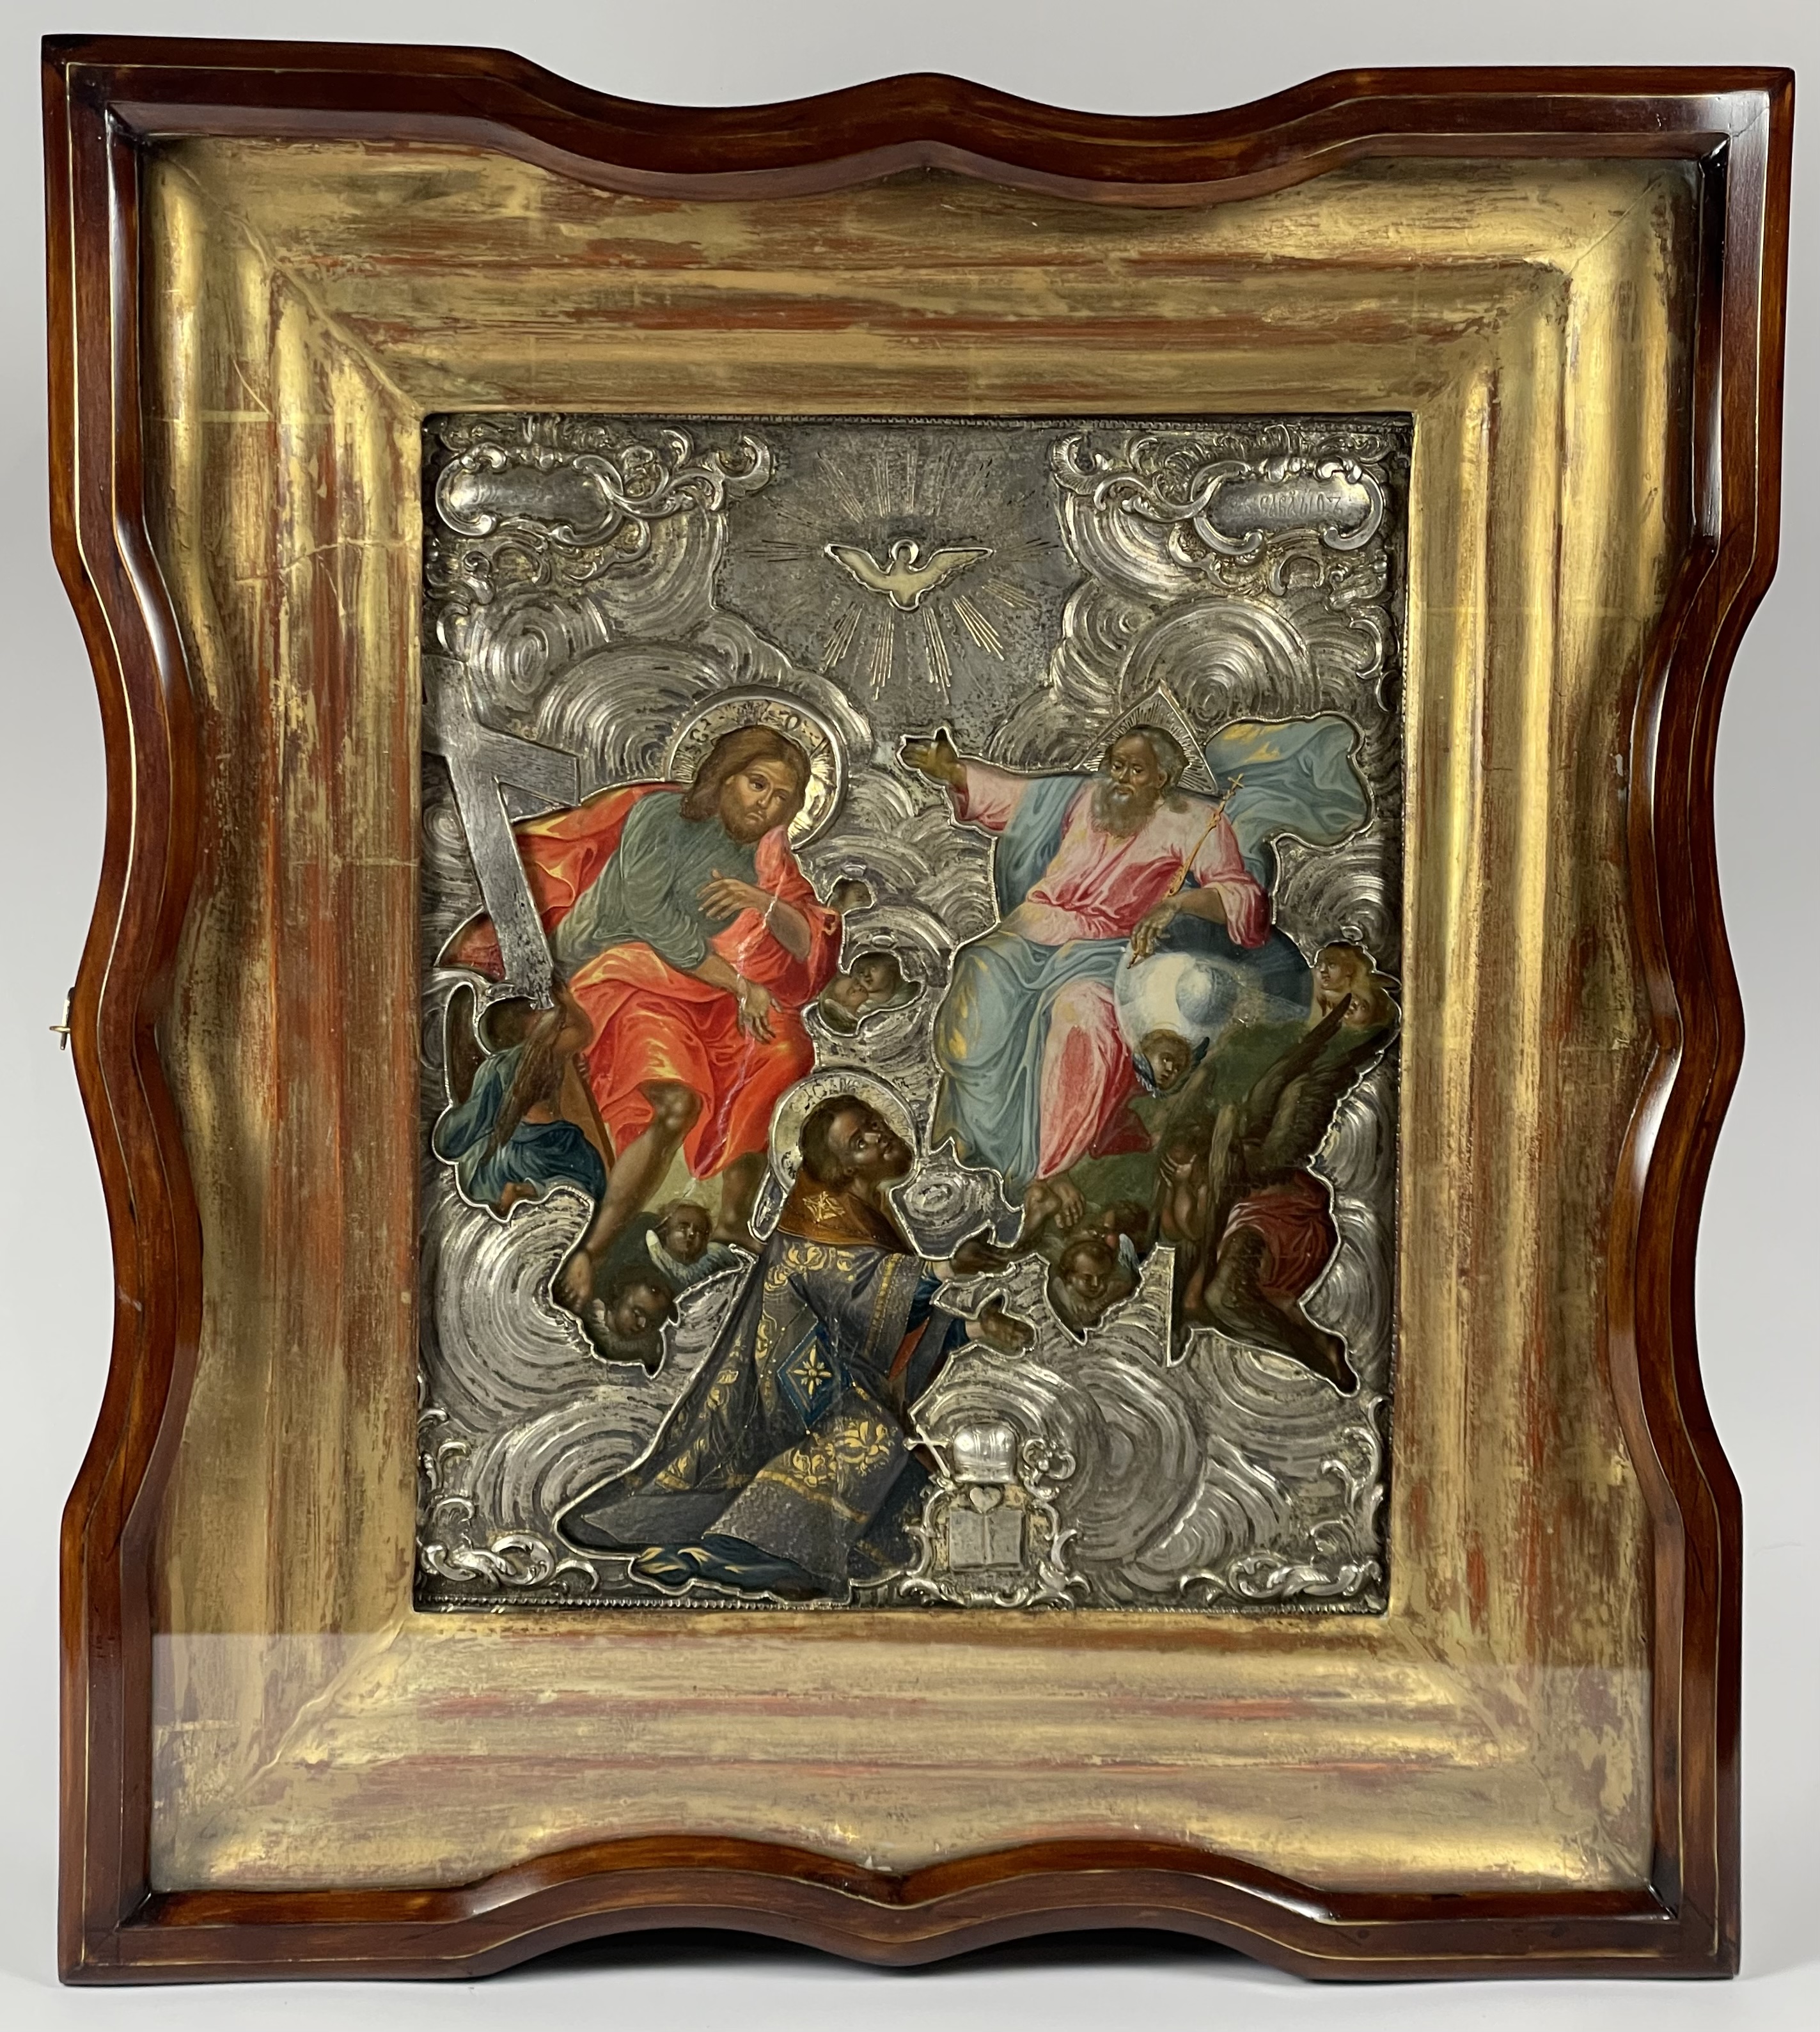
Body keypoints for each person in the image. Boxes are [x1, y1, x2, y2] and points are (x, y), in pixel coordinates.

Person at [556, 1093, 1031, 1601]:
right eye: (860, 1139)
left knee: (914, 1490)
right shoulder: (814, 1223)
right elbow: (856, 1292)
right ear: (843, 1168)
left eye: (874, 1123)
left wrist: (972, 1329)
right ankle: (734, 1551)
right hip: (788, 1388)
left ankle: (764, 1554)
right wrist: (944, 1268)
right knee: (871, 1441)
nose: (880, 1134)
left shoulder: (865, 1216)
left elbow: (880, 1327)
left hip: (838, 1380)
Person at [443, 725, 844, 1300]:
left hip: (683, 983)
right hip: (610, 967)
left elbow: (809, 946)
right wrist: (739, 984)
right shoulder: (662, 816)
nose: (767, 804)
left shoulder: (763, 858)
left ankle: (733, 1218)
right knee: (678, 1101)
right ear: (724, 776)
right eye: (758, 784)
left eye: (783, 797)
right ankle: (592, 1249)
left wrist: (762, 901)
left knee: (785, 1048)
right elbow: (650, 919)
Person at [904, 723, 1303, 1201]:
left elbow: (1242, 897)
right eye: (1116, 765)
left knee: (1085, 1013)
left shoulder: (1197, 821)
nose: (1121, 779)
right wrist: (954, 771)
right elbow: (1018, 799)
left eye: (1137, 770)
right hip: (1036, 928)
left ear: (1162, 778)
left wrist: (1178, 904)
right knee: (978, 968)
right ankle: (974, 1138)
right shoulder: (1083, 797)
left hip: (1108, 948)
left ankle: (1049, 1167)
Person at [1180, 944, 1399, 1390]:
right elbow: (1291, 1062)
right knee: (1208, 1302)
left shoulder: (1319, 1074)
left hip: (1283, 1219)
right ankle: (1307, 1336)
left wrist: (1227, 1149)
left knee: (1222, 1299)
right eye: (1342, 994)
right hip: (1249, 1206)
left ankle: (1319, 1352)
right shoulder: (1288, 1050)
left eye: (1356, 1007)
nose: (1341, 1003)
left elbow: (1333, 1067)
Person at [430, 984, 607, 1213]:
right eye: (533, 1011)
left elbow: (468, 1125)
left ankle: (523, 1191)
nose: (542, 1012)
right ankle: (528, 1190)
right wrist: (565, 998)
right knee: (592, 1178)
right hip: (549, 1148)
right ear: (525, 1023)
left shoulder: (494, 1067)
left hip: (507, 1157)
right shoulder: (544, 1049)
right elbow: (583, 1031)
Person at [594, 1199, 742, 1303]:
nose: (691, 1233)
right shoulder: (637, 1259)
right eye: (683, 1227)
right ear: (665, 1230)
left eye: (699, 1231)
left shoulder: (712, 1259)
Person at [581, 1265, 678, 1375]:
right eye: (637, 1314)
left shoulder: (651, 1348)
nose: (643, 1325)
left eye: (652, 1324)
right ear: (616, 1299)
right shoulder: (588, 1323)